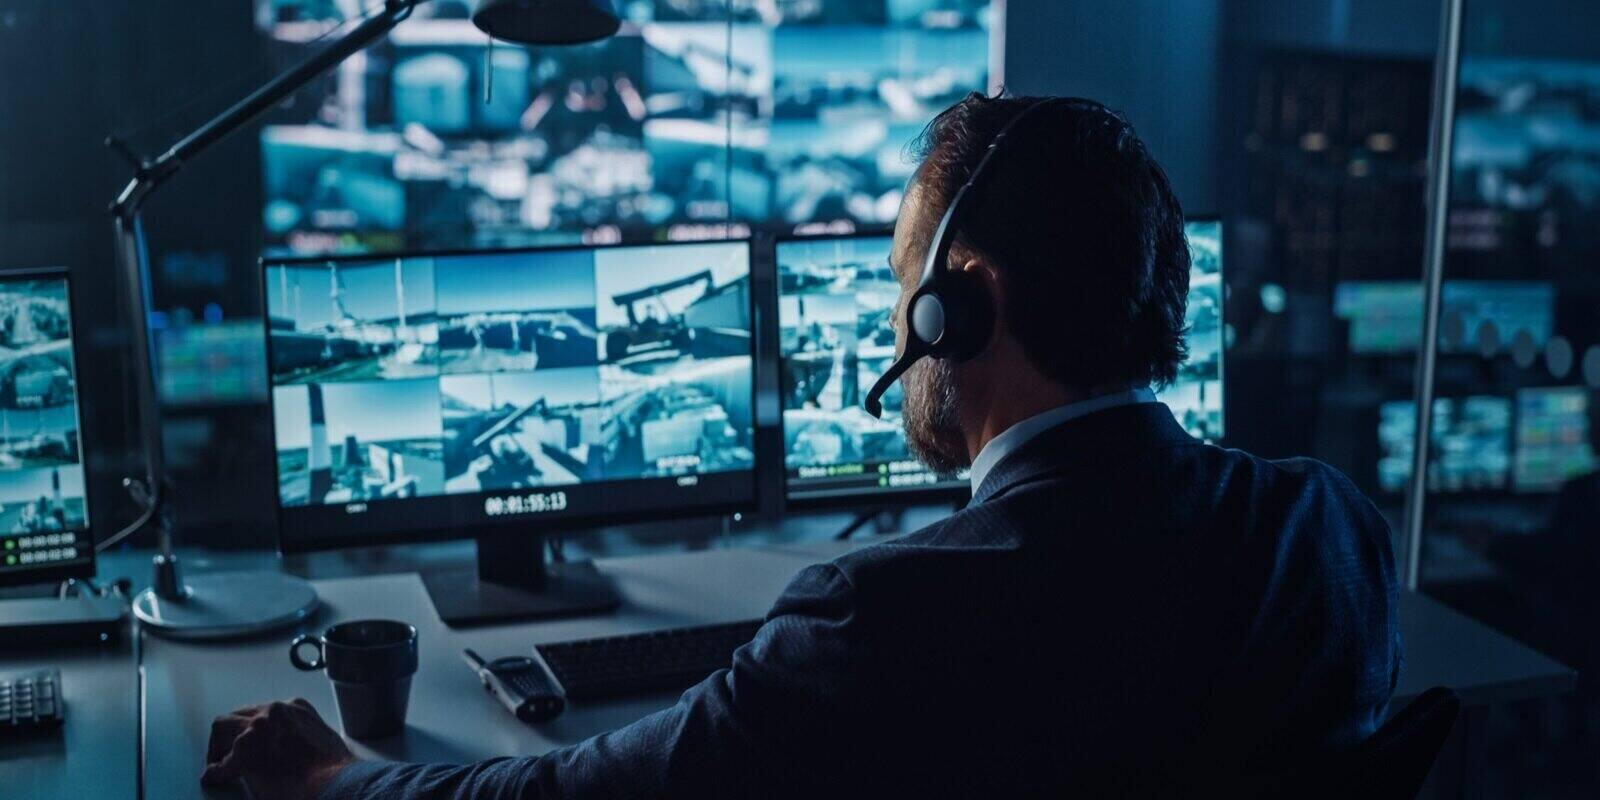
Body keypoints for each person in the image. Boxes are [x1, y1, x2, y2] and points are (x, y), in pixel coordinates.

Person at [202, 94, 1402, 799]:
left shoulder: (886, 615)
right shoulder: (1330, 528)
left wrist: (335, 781)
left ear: (958, 309)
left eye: (898, 286)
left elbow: (565, 796)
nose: (897, 321)